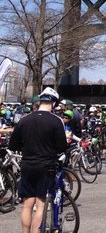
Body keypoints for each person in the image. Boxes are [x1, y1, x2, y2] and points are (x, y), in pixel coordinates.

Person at [8, 87, 67, 233]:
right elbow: (62, 146)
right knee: (40, 205)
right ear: (53, 103)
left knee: (27, 204)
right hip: (46, 166)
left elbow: (13, 144)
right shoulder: (56, 120)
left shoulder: (24, 120)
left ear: (39, 102)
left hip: (27, 164)